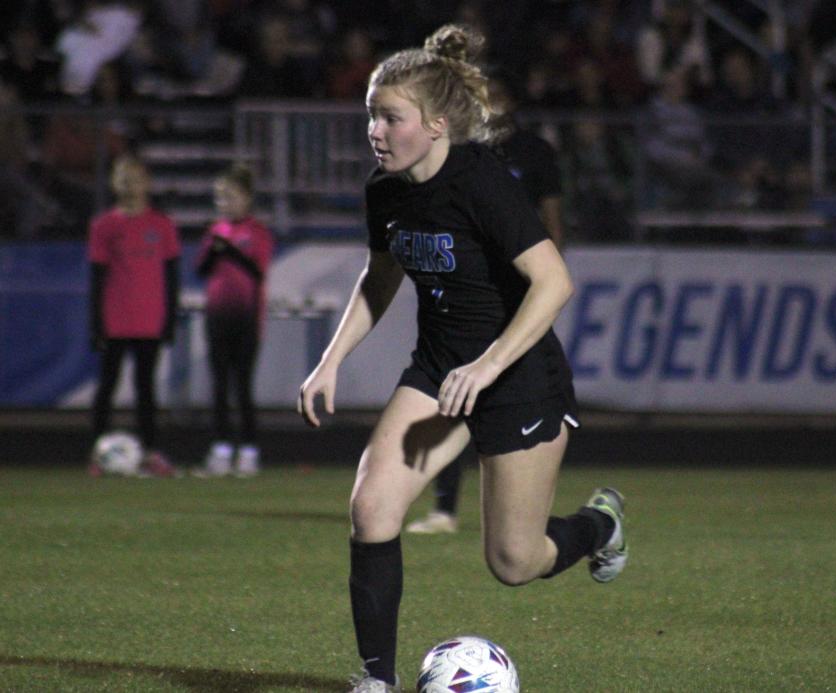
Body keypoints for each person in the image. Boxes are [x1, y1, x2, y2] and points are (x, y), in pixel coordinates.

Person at [297, 25, 627, 692]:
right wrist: (331, 360)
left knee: (513, 560)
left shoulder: (481, 182)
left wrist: (488, 366)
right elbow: (381, 276)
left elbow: (554, 281)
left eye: (390, 117)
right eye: (372, 115)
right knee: (372, 509)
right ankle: (375, 679)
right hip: (439, 371)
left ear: (438, 124)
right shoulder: (385, 190)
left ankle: (601, 525)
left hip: (519, 380)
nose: (375, 131)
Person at [404, 67, 565, 535]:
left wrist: (545, 284)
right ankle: (445, 508)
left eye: (494, 94)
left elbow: (551, 222)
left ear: (511, 100)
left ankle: (541, 516)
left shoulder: (532, 153)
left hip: (515, 297)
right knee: (451, 398)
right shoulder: (456, 154)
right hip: (467, 299)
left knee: (513, 553)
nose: (486, 103)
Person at [88, 154, 180, 477]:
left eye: (135, 178)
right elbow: (97, 278)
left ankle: (150, 453)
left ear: (147, 183)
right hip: (115, 319)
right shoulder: (104, 226)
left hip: (149, 320)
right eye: (123, 177)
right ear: (114, 183)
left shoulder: (161, 225)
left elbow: (172, 277)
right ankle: (98, 453)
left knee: (146, 389)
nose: (129, 184)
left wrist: (169, 319)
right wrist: (95, 323)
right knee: (107, 386)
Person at [193, 164, 273, 478]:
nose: (224, 203)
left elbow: (257, 271)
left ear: (248, 198)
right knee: (219, 385)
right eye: (220, 198)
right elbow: (201, 270)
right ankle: (222, 449)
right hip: (217, 316)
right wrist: (215, 251)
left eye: (230, 197)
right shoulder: (215, 231)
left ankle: (249, 451)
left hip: (247, 318)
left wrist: (230, 251)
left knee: (242, 386)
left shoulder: (257, 233)